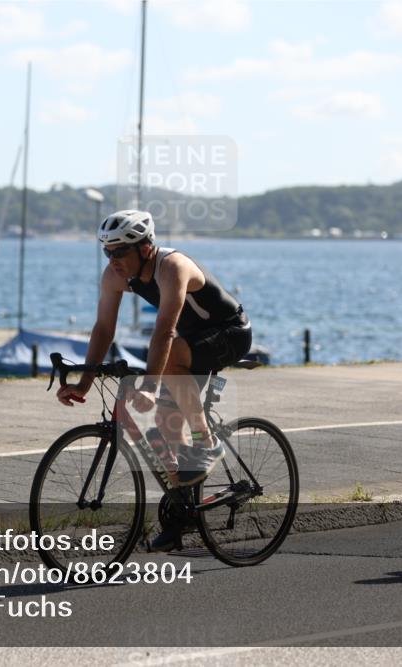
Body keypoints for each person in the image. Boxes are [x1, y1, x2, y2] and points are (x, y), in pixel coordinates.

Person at [56, 209, 252, 550]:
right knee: (165, 424)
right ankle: (181, 519)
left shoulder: (171, 267)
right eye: (106, 251)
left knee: (171, 360)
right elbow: (103, 328)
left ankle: (207, 442)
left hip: (229, 332)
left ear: (145, 247)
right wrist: (84, 382)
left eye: (119, 252)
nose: (112, 260)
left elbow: (164, 332)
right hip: (187, 342)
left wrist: (148, 386)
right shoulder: (114, 276)